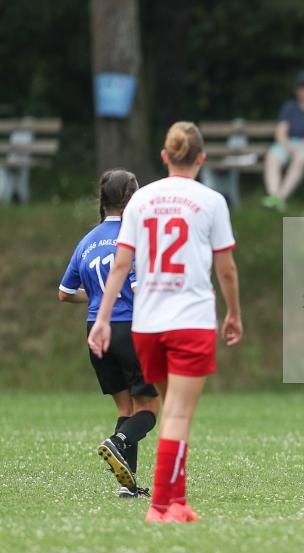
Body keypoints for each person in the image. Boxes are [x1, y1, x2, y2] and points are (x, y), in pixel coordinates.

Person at [88, 122, 243, 523]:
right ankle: (162, 505)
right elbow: (226, 269)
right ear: (201, 158)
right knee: (176, 414)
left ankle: (177, 502)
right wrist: (234, 313)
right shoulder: (211, 200)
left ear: (165, 156)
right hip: (190, 320)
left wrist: (102, 319)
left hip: (147, 325)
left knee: (172, 409)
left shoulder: (142, 200)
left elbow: (121, 265)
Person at [58, 170, 159, 498]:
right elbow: (139, 288)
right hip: (129, 328)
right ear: (132, 199)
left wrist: (99, 297)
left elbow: (64, 293)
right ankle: (117, 441)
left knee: (125, 409)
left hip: (96, 329)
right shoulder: (133, 238)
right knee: (148, 409)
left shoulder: (87, 241)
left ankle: (128, 487)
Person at [262, 69, 304, 212]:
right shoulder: (289, 107)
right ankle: (273, 196)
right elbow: (281, 130)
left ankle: (280, 198)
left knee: (301, 158)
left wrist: (302, 144)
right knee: (272, 156)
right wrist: (287, 145)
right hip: (288, 143)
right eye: (301, 87)